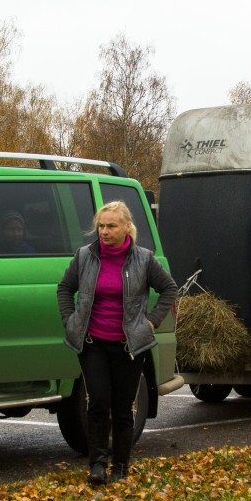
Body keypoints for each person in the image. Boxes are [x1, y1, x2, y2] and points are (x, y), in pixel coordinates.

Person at [56, 201, 178, 485]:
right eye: (101, 226)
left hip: (129, 346)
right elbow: (64, 287)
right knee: (97, 402)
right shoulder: (84, 257)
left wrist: (150, 322)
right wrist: (69, 320)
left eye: (111, 226)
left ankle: (121, 465)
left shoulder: (144, 259)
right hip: (93, 342)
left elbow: (169, 288)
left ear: (126, 227)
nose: (104, 231)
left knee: (123, 409)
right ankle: (97, 465)